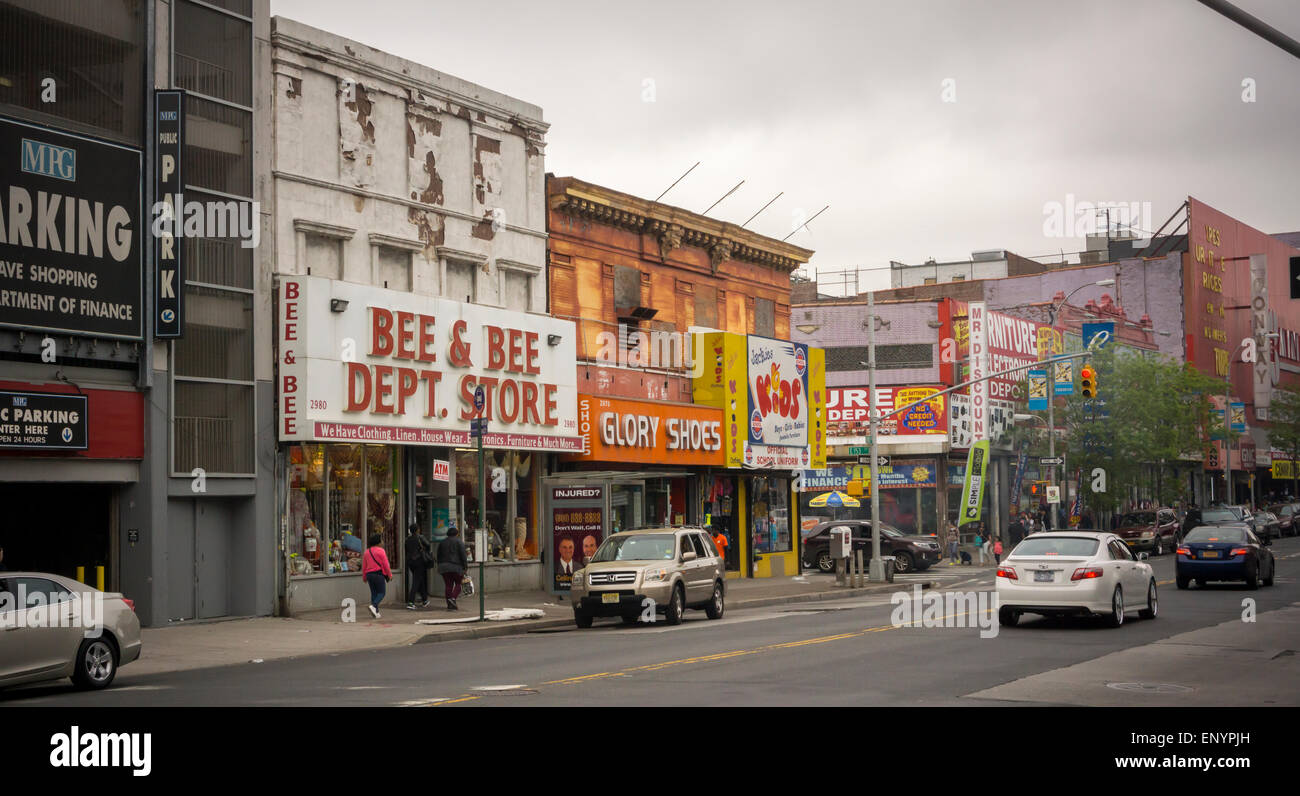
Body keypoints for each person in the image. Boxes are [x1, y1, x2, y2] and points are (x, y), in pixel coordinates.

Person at [436, 525, 468, 610]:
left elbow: (438, 555)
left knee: (448, 585)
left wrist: (439, 565)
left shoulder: (442, 542)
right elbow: (463, 555)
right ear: (457, 534)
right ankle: (453, 599)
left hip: (444, 567)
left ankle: (449, 604)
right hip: (456, 567)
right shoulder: (459, 542)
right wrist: (465, 566)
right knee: (458, 584)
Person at [360, 533, 391, 619]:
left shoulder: (367, 552)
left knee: (374, 593)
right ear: (378, 542)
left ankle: (376, 612)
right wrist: (390, 575)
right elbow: (386, 565)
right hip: (378, 574)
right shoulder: (381, 551)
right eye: (381, 540)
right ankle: (373, 606)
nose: (383, 542)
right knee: (382, 593)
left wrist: (364, 577)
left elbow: (364, 567)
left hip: (369, 575)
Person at [404, 523, 433, 609]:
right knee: (416, 581)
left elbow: (406, 550)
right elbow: (428, 545)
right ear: (417, 530)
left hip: (410, 562)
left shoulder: (407, 539)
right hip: (419, 561)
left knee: (419, 579)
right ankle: (411, 602)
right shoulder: (420, 537)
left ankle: (425, 600)